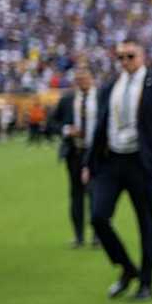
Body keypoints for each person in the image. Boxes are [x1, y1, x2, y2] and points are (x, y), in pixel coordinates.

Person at [87, 41, 152, 302]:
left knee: (146, 223)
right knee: (98, 217)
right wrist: (89, 163)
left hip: (141, 163)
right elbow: (100, 127)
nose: (125, 61)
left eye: (130, 56)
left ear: (142, 56)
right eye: (120, 57)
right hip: (112, 161)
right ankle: (128, 268)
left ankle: (146, 284)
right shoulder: (109, 88)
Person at [51, 67, 100, 249]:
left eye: (85, 78)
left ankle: (97, 235)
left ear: (92, 79)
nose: (82, 81)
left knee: (96, 194)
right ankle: (79, 236)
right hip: (75, 152)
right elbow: (53, 122)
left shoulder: (101, 98)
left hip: (96, 153)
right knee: (76, 195)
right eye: (79, 79)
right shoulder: (68, 99)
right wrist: (67, 130)